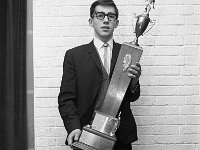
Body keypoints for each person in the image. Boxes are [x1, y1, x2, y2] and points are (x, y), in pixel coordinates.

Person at [58, 0, 141, 149]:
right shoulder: (74, 56)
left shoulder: (127, 53)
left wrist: (134, 84)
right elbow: (66, 99)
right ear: (91, 21)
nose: (106, 20)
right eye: (100, 15)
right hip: (85, 134)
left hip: (120, 138)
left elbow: (132, 97)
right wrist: (73, 127)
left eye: (111, 16)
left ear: (116, 23)